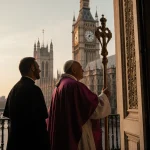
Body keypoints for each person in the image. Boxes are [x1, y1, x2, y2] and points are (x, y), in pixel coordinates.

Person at [47, 60, 111, 150]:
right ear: (74, 70)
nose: (83, 70)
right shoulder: (75, 85)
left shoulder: (59, 86)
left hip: (63, 132)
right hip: (76, 132)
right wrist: (104, 96)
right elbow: (94, 109)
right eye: (81, 68)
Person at [3, 57, 50, 150]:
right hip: (31, 143)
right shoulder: (35, 90)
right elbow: (41, 121)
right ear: (32, 68)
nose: (40, 70)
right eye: (38, 67)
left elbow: (8, 114)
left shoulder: (13, 89)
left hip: (15, 143)